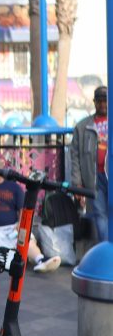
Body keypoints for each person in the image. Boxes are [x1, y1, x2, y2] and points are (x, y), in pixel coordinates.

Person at [71, 85, 108, 242]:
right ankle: (107, 249)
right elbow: (75, 156)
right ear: (94, 102)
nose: (102, 104)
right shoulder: (82, 126)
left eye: (105, 101)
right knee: (100, 214)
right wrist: (77, 183)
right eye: (99, 101)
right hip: (93, 178)